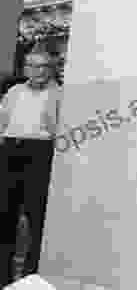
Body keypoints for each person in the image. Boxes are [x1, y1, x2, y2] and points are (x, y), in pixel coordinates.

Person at [0, 42, 62, 286]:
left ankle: (31, 275)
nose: (36, 72)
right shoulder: (14, 91)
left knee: (37, 215)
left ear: (52, 69)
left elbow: (61, 129)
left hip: (41, 151)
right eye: (31, 66)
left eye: (43, 66)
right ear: (25, 68)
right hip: (10, 150)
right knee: (4, 213)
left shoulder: (59, 93)